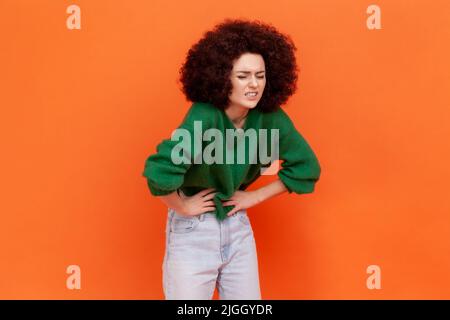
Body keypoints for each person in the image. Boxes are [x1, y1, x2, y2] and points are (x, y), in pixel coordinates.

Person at [142, 18, 321, 300]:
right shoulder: (204, 115)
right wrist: (182, 206)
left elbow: (307, 167)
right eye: (243, 76)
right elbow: (159, 173)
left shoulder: (270, 118)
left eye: (260, 76)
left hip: (237, 229)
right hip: (194, 231)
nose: (254, 85)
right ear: (223, 77)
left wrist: (255, 197)